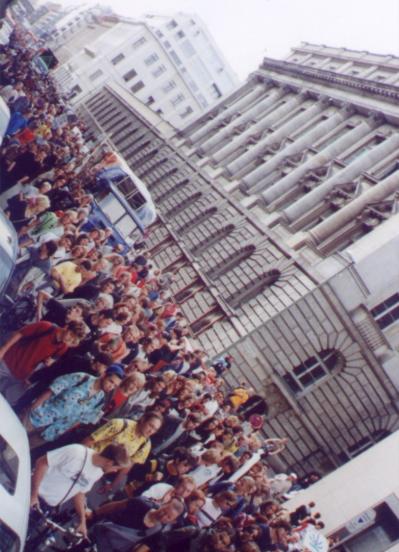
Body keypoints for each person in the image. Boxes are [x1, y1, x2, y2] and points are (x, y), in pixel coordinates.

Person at [30, 443, 130, 538]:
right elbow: (42, 462)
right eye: (116, 468)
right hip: (33, 495)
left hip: (48, 506)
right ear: (110, 463)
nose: (115, 471)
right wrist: (33, 496)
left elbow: (80, 493)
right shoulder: (76, 452)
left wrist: (82, 521)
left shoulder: (98, 473)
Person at [24, 366, 124, 445]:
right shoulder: (82, 378)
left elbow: (81, 420)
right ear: (104, 375)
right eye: (111, 381)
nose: (111, 386)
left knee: (19, 452)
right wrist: (33, 408)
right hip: (38, 416)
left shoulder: (100, 400)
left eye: (115, 386)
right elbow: (52, 389)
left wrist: (61, 431)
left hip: (50, 432)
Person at [0, 319, 87, 402]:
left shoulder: (63, 347)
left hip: (20, 375)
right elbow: (20, 334)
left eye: (73, 339)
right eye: (71, 334)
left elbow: (49, 361)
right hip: (9, 360)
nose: (69, 339)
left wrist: (50, 362)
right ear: (66, 327)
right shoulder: (46, 326)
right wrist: (3, 350)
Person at [82, 411, 164, 492]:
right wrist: (78, 458)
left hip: (101, 471)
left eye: (155, 429)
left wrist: (112, 485)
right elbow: (90, 439)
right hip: (88, 459)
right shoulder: (119, 424)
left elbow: (127, 466)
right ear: (143, 419)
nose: (151, 431)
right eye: (150, 426)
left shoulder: (145, 444)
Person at [89, 497, 185, 551]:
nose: (163, 516)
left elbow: (141, 549)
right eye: (164, 510)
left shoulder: (157, 533)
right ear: (163, 504)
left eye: (168, 517)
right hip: (99, 533)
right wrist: (93, 514)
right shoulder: (140, 504)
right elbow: (115, 505)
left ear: (172, 521)